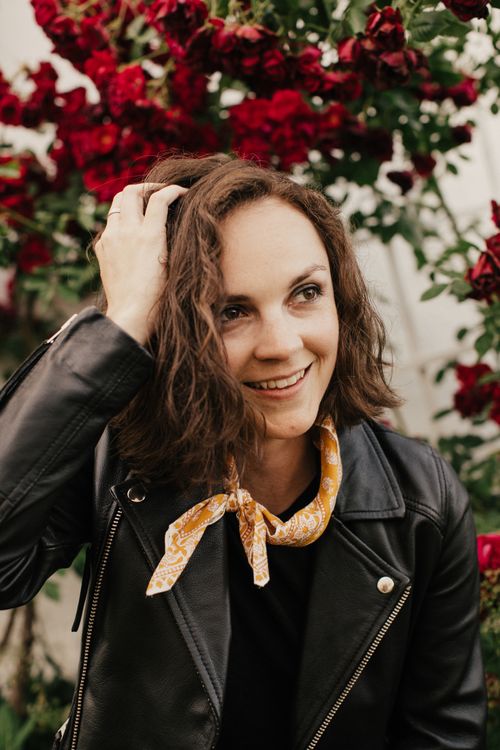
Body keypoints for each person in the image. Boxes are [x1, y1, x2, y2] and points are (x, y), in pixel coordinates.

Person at [0, 154, 487, 750]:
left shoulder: (422, 502)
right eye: (231, 311)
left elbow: (441, 735)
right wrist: (121, 323)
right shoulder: (117, 463)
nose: (282, 345)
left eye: (306, 292)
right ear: (172, 326)